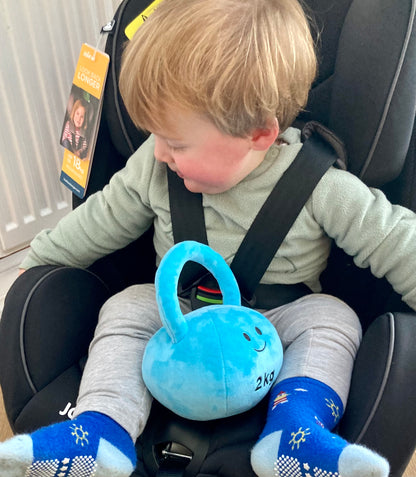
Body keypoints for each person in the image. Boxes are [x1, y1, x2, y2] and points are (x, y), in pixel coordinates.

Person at [3, 0, 416, 475]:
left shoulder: (319, 185)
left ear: (259, 134)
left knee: (332, 318)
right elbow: (101, 218)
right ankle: (102, 429)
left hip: (275, 323)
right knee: (124, 307)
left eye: (176, 143)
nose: (158, 153)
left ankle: (295, 433)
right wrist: (41, 256)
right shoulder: (154, 168)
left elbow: (392, 239)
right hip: (177, 315)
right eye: (154, 136)